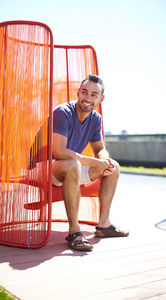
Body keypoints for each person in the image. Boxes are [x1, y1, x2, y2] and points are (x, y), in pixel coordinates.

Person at [52, 74, 129, 251]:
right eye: (84, 92)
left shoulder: (96, 119)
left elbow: (100, 149)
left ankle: (103, 225)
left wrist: (104, 160)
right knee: (73, 165)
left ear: (101, 99)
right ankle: (74, 232)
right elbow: (59, 152)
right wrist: (93, 162)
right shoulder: (62, 112)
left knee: (114, 167)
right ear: (78, 93)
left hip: (73, 169)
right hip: (48, 167)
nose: (88, 98)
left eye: (94, 95)